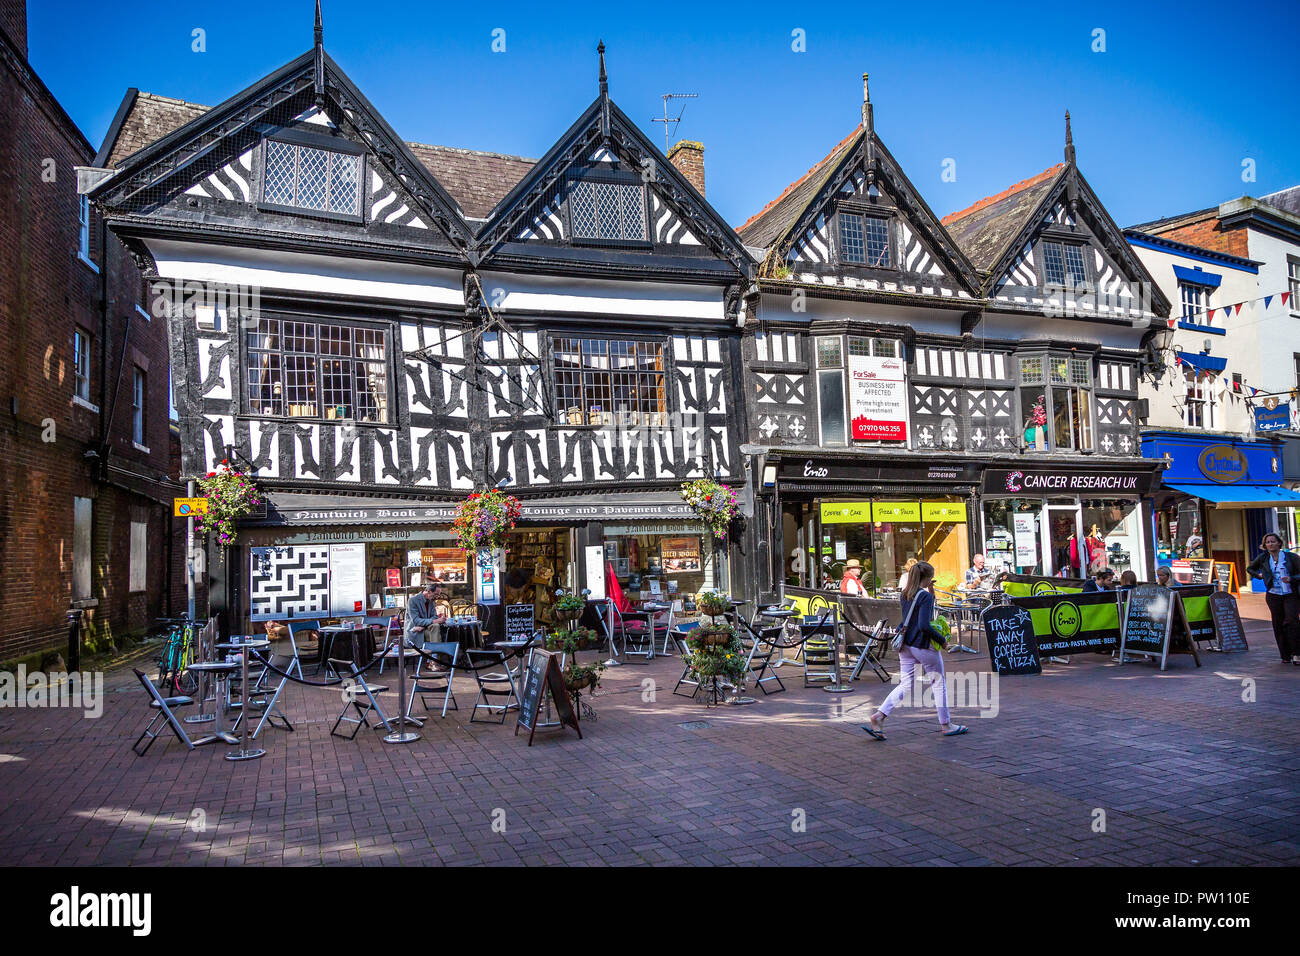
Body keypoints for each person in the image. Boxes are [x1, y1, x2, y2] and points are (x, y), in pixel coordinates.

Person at [862, 561, 968, 740]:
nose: (931, 582)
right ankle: (946, 724)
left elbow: (911, 617)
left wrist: (931, 594)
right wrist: (942, 641)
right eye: (930, 578)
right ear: (926, 578)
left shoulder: (905, 594)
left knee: (906, 684)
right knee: (938, 683)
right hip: (922, 644)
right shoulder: (924, 597)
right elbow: (924, 624)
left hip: (906, 644)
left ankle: (879, 716)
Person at [1247, 532, 1300, 665]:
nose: (1270, 544)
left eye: (1273, 541)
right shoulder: (1264, 558)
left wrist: (1291, 578)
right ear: (1265, 545)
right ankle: (1285, 655)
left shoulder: (1291, 557)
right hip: (1273, 594)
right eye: (1268, 542)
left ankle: (1297, 653)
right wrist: (1259, 576)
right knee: (1278, 623)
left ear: (1279, 543)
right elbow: (1250, 568)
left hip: (1290, 594)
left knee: (1292, 621)